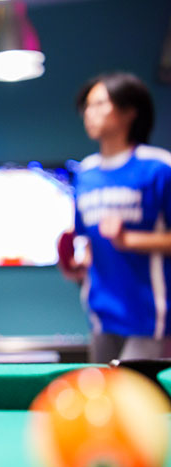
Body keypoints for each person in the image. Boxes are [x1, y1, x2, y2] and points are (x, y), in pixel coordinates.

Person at [58, 71, 171, 363]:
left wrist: (128, 239)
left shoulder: (158, 167)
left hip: (149, 316)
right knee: (103, 389)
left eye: (99, 104)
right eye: (86, 106)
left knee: (132, 388)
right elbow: (85, 240)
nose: (89, 113)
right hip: (100, 313)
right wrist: (79, 261)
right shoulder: (85, 173)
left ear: (129, 111)